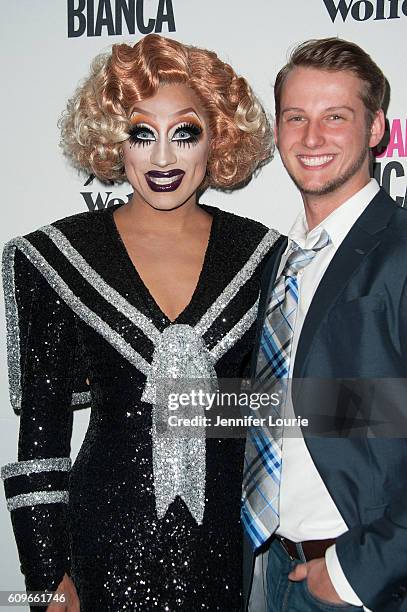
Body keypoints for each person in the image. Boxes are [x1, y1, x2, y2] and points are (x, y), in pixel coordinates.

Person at [0, 34, 279, 612]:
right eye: (140, 133)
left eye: (185, 132)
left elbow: (271, 410)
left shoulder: (264, 256)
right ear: (113, 140)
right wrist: (44, 577)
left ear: (218, 137)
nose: (162, 158)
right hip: (97, 544)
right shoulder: (54, 257)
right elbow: (40, 439)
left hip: (221, 545)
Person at [242, 37, 407, 612]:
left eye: (335, 117)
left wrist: (359, 571)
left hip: (362, 585)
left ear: (376, 128)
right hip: (271, 572)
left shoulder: (403, 251)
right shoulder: (276, 262)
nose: (312, 139)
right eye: (296, 118)